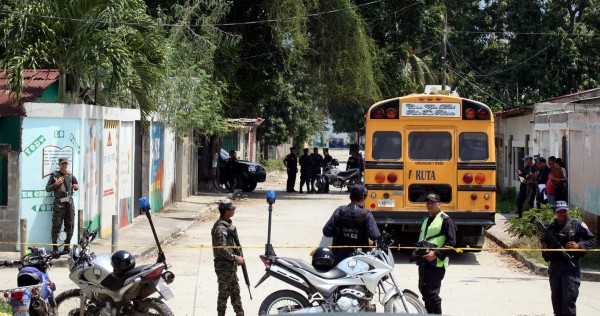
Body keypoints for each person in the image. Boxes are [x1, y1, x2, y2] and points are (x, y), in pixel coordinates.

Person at [541, 201, 595, 316]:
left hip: (571, 267)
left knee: (569, 298)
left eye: (564, 211)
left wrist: (579, 246)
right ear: (554, 212)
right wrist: (545, 249)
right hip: (555, 267)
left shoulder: (577, 224)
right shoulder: (550, 228)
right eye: (559, 212)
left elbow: (592, 240)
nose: (562, 214)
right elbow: (545, 252)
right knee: (556, 299)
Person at [413, 193, 456, 315]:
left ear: (439, 204)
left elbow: (451, 242)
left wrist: (436, 254)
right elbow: (423, 238)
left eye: (432, 202)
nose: (429, 205)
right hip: (423, 261)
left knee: (432, 293)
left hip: (436, 263)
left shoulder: (446, 220)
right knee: (424, 291)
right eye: (428, 202)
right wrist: (416, 249)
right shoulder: (426, 219)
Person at [322, 184, 380, 265]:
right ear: (364, 197)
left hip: (340, 258)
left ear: (350, 197)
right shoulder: (366, 214)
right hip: (360, 259)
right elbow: (375, 235)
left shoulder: (340, 211)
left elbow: (327, 231)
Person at [211, 199, 245, 316]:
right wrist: (236, 258)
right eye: (232, 209)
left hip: (229, 267)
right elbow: (221, 250)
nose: (233, 211)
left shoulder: (227, 225)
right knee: (224, 295)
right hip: (223, 267)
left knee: (235, 292)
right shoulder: (221, 228)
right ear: (226, 212)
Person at [45, 157, 79, 253]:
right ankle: (55, 248)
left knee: (70, 226)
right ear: (59, 164)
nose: (64, 165)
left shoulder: (70, 175)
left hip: (69, 203)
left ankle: (66, 247)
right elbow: (47, 188)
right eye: (63, 163)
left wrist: (76, 187)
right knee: (56, 226)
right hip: (59, 204)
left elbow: (76, 185)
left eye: (66, 163)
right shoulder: (55, 175)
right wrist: (56, 183)